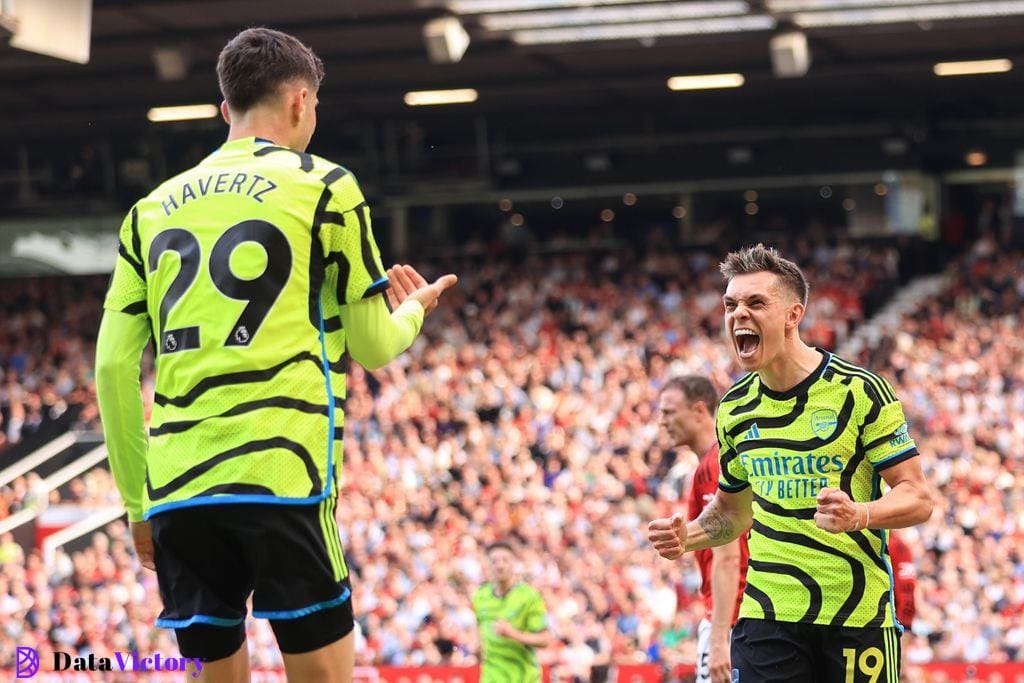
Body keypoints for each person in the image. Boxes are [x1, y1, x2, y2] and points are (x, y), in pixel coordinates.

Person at [95, 27, 456, 683]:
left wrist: (136, 505)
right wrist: (413, 310)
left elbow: (114, 369)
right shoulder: (326, 187)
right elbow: (374, 345)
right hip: (281, 475)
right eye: (314, 107)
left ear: (224, 108)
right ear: (298, 102)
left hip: (178, 490)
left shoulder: (146, 211)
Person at [648, 244, 933, 682]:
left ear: (793, 315)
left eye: (755, 302)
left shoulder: (859, 391)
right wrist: (687, 536)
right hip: (767, 614)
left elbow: (918, 498)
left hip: (856, 616)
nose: (738, 314)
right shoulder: (736, 408)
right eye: (730, 304)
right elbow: (732, 512)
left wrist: (861, 514)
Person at [657, 375, 749, 683]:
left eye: (669, 412)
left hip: (734, 619)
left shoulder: (716, 463)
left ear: (699, 411)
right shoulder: (711, 463)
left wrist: (720, 636)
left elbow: (728, 556)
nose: (662, 421)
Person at [472, 541, 553, 682]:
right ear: (488, 565)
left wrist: (512, 634)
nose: (500, 565)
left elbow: (545, 640)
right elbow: (479, 632)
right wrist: (477, 647)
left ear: (514, 563)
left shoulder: (529, 596)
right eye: (494, 561)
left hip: (523, 676)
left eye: (505, 560)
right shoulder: (480, 597)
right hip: (492, 676)